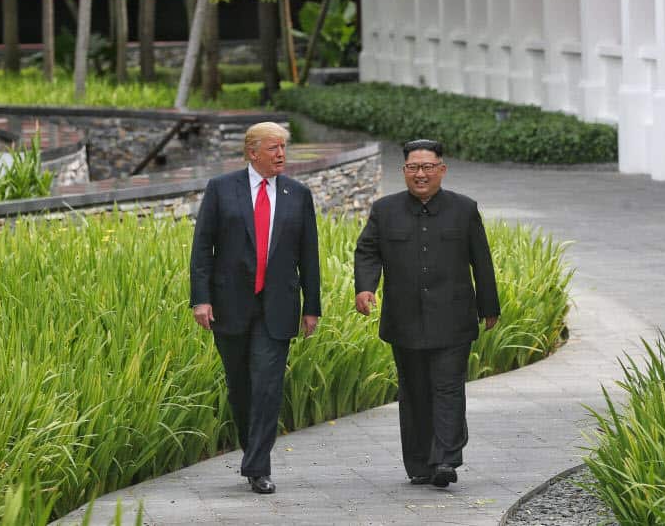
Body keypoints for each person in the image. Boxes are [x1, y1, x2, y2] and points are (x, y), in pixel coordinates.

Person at [354, 138, 500, 488]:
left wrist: (489, 306)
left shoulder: (464, 209)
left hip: (453, 318)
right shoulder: (385, 210)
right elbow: (367, 251)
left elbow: (481, 259)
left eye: (428, 167)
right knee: (415, 391)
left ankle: (446, 460)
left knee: (448, 387)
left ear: (442, 170)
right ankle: (420, 464)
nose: (421, 174)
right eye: (413, 168)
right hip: (404, 320)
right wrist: (365, 287)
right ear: (404, 171)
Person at [189, 121, 321, 494]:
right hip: (230, 304)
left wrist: (312, 306)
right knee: (241, 386)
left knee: (267, 385)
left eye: (284, 147)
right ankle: (253, 453)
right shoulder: (221, 190)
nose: (281, 154)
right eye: (273, 148)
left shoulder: (298, 194)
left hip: (276, 306)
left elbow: (309, 254)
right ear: (252, 152)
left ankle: (258, 466)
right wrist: (201, 298)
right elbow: (202, 249)